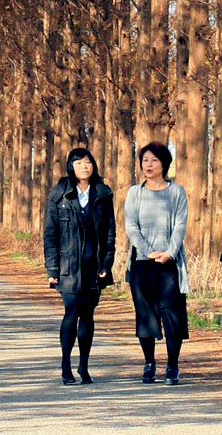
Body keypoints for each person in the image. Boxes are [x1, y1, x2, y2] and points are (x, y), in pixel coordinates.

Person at [43, 143, 115, 385]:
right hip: (68, 267)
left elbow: (109, 234)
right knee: (71, 311)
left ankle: (84, 366)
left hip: (93, 266)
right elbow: (50, 235)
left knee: (88, 315)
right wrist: (51, 269)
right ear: (70, 167)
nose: (85, 166)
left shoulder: (103, 194)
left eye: (88, 162)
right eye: (79, 162)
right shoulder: (59, 194)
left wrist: (107, 263)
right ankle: (66, 365)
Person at [124, 141, 189, 384]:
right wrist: (148, 251)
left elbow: (180, 225)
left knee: (172, 313)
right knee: (146, 314)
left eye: (153, 160)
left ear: (164, 164)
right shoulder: (135, 193)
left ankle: (172, 365)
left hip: (169, 263)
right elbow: (131, 227)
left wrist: (169, 252)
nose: (148, 165)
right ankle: (149, 362)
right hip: (142, 263)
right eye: (144, 160)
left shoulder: (176, 192)